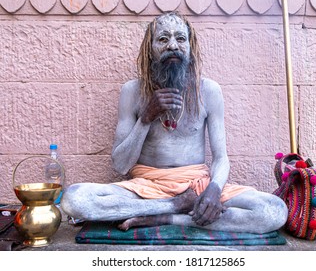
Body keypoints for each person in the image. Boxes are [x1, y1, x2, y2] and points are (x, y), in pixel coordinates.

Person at [61, 12, 288, 233]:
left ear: (190, 48)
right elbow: (120, 165)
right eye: (163, 39)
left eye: (180, 38)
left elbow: (221, 158)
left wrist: (213, 190)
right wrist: (146, 117)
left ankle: (169, 218)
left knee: (274, 211)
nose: (172, 46)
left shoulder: (209, 91)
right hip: (145, 187)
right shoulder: (132, 92)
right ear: (150, 50)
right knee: (74, 200)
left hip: (196, 187)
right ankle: (174, 208)